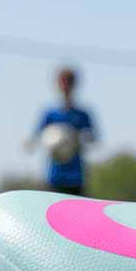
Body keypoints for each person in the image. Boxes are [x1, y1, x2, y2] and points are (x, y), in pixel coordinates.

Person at [29, 67, 97, 195]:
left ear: (74, 85)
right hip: (54, 176)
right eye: (63, 83)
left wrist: (77, 137)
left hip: (76, 176)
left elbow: (93, 139)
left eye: (69, 83)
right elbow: (36, 137)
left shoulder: (82, 114)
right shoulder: (50, 114)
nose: (66, 87)